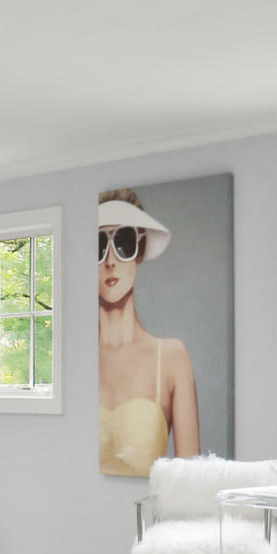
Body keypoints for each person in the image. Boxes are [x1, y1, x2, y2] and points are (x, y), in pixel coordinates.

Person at [97, 191, 200, 475]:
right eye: (97, 246)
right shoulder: (76, 362)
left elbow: (191, 480)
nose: (110, 261)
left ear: (139, 251)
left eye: (123, 243)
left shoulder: (171, 358)